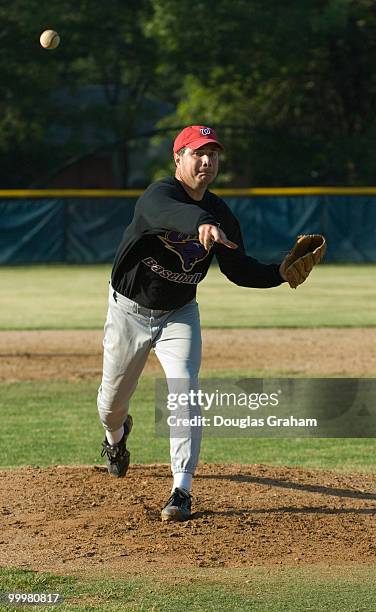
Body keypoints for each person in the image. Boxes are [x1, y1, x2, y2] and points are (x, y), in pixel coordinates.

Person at [97, 125, 288, 522]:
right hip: (129, 312)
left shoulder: (222, 216)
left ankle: (181, 490)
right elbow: (165, 213)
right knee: (111, 404)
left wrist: (281, 273)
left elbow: (239, 270)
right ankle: (116, 438)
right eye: (198, 152)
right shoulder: (159, 195)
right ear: (178, 158)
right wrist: (200, 221)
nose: (207, 160)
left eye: (213, 154)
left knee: (184, 391)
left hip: (179, 314)